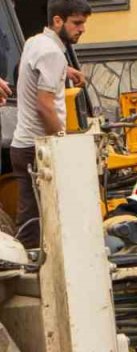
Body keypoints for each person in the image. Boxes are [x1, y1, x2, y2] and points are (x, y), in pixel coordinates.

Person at [13, 0, 90, 249]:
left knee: (32, 217)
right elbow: (45, 104)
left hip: (23, 145)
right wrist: (62, 141)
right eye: (77, 23)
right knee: (37, 223)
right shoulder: (52, 53)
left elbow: (35, 67)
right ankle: (28, 277)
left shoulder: (35, 42)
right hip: (39, 148)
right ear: (58, 21)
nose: (82, 29)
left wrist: (64, 71)